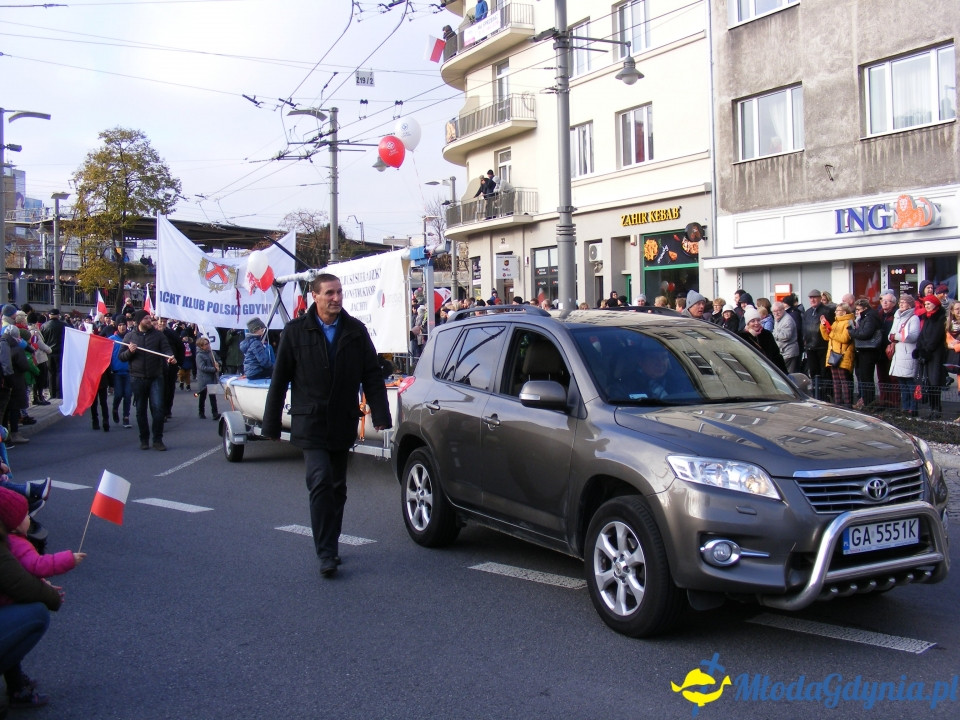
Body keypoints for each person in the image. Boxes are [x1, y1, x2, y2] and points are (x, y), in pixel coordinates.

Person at [262, 273, 391, 578]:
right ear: (315, 297)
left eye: (339, 293)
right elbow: (279, 379)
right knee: (320, 480)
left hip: (342, 420)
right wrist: (270, 424)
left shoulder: (355, 331)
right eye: (329, 293)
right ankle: (326, 553)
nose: (336, 298)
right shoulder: (295, 332)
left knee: (337, 487)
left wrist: (381, 415)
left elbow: (371, 375)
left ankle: (330, 541)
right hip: (310, 422)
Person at [0, 486, 63, 709]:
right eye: (26, 515)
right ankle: (16, 687)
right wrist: (52, 596)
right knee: (35, 613)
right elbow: (23, 579)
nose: (29, 518)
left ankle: (16, 683)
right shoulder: (14, 543)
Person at [120, 310, 176, 451]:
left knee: (157, 409)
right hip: (137, 378)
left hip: (156, 376)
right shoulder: (129, 337)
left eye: (149, 318)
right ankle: (144, 439)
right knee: (140, 409)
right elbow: (121, 357)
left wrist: (170, 357)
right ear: (139, 321)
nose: (149, 320)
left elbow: (166, 350)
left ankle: (157, 439)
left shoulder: (158, 336)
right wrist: (130, 352)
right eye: (145, 318)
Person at [915, 294, 947, 419]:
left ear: (935, 304)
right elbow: (922, 335)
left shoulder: (940, 318)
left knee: (935, 382)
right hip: (926, 354)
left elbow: (936, 337)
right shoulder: (927, 318)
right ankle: (932, 408)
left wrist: (927, 350)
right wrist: (920, 348)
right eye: (925, 304)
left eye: (928, 304)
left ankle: (936, 409)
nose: (926, 306)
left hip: (935, 355)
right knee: (927, 381)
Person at [888, 294, 921, 417]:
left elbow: (913, 336)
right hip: (899, 353)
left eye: (904, 302)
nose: (901, 304)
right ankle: (905, 406)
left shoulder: (914, 318)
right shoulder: (897, 317)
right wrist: (892, 337)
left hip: (908, 353)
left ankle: (913, 408)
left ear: (910, 304)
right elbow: (891, 333)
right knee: (902, 382)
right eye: (900, 302)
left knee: (910, 382)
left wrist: (896, 336)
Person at [820, 301, 855, 407]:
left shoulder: (848, 322)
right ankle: (838, 402)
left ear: (844, 312)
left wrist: (831, 333)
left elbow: (845, 338)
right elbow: (827, 337)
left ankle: (848, 403)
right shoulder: (836, 322)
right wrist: (823, 327)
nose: (835, 312)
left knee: (844, 381)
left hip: (843, 355)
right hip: (833, 355)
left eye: (838, 310)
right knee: (836, 381)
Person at [850, 298, 883, 408]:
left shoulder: (870, 317)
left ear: (865, 308)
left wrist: (852, 332)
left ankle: (868, 401)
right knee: (863, 377)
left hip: (869, 350)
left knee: (867, 378)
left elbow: (865, 333)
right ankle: (865, 400)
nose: (857, 312)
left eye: (859, 309)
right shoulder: (865, 317)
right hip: (864, 350)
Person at [802, 288, 835, 399]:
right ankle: (817, 395)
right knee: (814, 372)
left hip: (823, 346)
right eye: (810, 298)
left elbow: (830, 328)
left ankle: (826, 395)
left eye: (814, 297)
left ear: (820, 298)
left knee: (824, 372)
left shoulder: (827, 311)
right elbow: (804, 328)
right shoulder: (807, 312)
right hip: (810, 347)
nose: (812, 300)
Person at [739, 307, 786, 371]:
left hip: (769, 370)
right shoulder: (742, 336)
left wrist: (784, 373)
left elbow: (776, 355)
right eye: (753, 321)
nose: (756, 323)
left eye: (758, 320)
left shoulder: (767, 334)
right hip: (752, 372)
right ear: (748, 323)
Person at [108, 318, 132, 428]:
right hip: (116, 372)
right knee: (118, 394)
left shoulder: (130, 338)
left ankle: (126, 417)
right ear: (117, 326)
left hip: (128, 371)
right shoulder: (112, 339)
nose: (122, 327)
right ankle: (115, 408)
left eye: (124, 324)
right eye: (120, 325)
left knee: (127, 394)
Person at [39, 309, 65, 400]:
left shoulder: (44, 326)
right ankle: (59, 393)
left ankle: (52, 393)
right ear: (58, 315)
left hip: (48, 352)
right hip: (61, 352)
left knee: (50, 373)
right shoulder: (64, 325)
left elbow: (41, 340)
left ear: (49, 316)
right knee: (59, 372)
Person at [194, 336, 220, 420]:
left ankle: (215, 413)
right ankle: (201, 412)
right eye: (205, 344)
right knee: (202, 397)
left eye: (208, 343)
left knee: (213, 397)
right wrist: (214, 369)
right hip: (204, 379)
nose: (208, 345)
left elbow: (218, 360)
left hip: (212, 378)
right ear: (201, 346)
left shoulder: (212, 353)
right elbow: (202, 367)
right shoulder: (199, 356)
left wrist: (218, 363)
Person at [771, 301, 800, 373]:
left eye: (778, 311)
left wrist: (774, 334)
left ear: (783, 309)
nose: (776, 313)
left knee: (787, 375)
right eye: (774, 311)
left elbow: (786, 336)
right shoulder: (777, 319)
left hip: (789, 352)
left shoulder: (787, 320)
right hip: (783, 351)